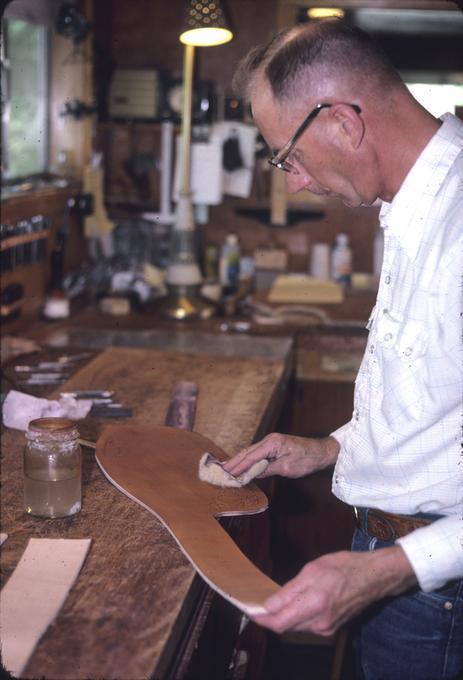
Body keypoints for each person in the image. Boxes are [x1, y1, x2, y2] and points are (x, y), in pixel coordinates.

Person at [224, 19, 463, 680]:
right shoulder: (414, 203)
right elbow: (438, 402)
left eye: (286, 158)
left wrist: (385, 571)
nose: (293, 182)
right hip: (403, 562)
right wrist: (332, 447)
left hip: (435, 590)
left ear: (341, 123)